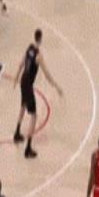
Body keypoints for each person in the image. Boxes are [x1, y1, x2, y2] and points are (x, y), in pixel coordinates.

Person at [13, 29, 63, 158]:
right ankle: (28, 148)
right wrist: (56, 86)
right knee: (34, 116)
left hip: (23, 81)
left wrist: (16, 77)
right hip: (28, 85)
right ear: (40, 39)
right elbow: (46, 74)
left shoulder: (29, 48)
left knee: (23, 106)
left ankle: (17, 133)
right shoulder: (38, 56)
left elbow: (21, 64)